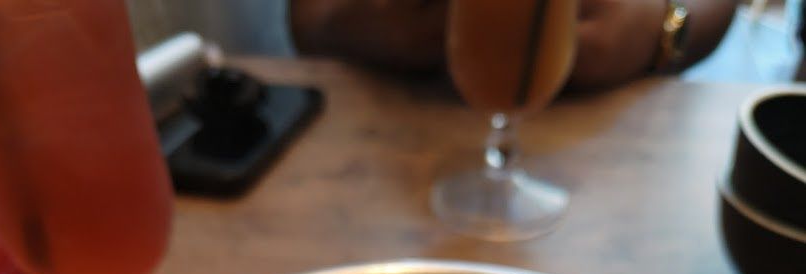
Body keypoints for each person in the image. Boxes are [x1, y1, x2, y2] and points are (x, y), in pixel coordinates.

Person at [290, 1, 741, 89]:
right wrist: (364, 23)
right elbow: (306, 19)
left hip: (615, 137)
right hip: (391, 150)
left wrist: (659, 30)